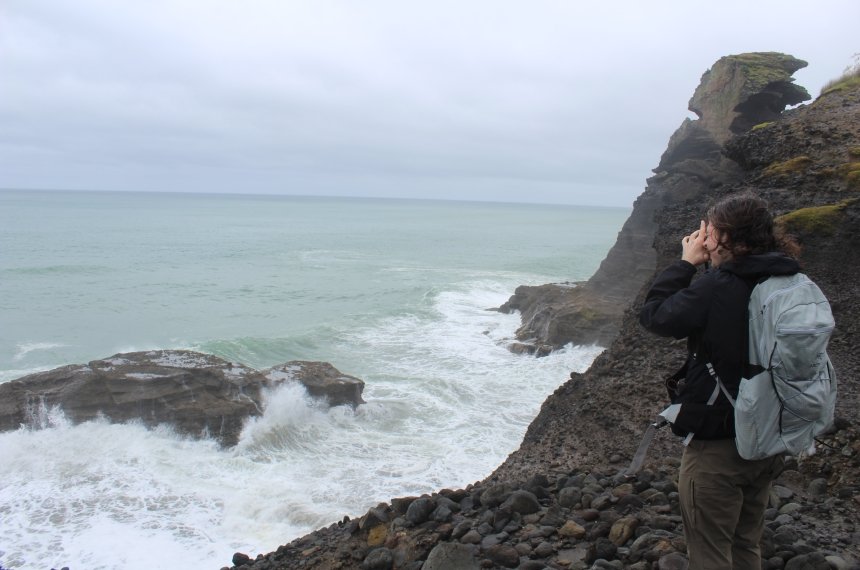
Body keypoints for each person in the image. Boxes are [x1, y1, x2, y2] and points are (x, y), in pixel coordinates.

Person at [639, 192, 801, 570]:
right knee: (746, 543)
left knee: (711, 551)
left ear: (727, 236)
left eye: (708, 233)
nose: (703, 241)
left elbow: (656, 317)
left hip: (720, 445)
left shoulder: (718, 286)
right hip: (769, 434)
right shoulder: (788, 278)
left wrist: (685, 264)